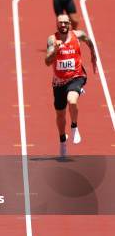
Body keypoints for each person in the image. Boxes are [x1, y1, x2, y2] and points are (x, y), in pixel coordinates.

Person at [45, 14, 97, 157]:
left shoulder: (78, 35)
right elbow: (47, 62)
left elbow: (89, 41)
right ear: (57, 24)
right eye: (60, 23)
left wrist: (93, 55)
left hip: (76, 76)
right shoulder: (52, 39)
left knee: (72, 100)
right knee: (60, 115)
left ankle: (74, 126)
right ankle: (62, 141)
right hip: (59, 83)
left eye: (65, 23)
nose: (62, 25)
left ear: (69, 24)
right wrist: (55, 50)